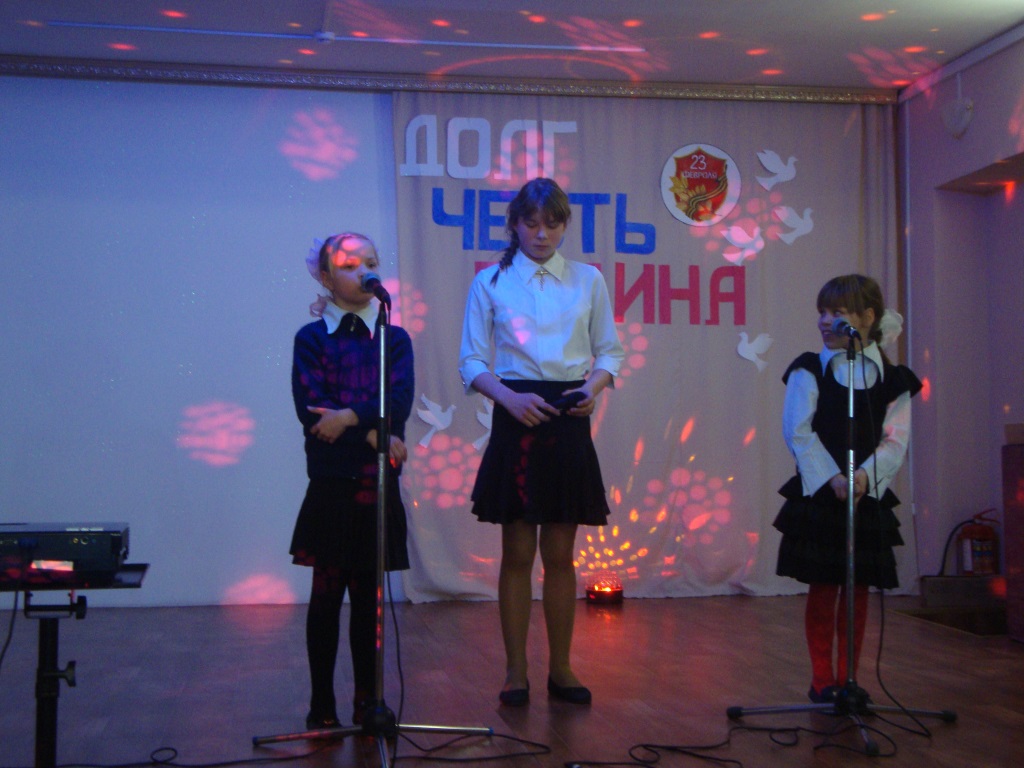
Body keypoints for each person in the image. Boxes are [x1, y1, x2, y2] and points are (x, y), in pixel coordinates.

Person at [458, 177, 625, 707]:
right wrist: (508, 399)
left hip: (568, 412)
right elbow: (471, 361)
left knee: (560, 554)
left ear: (565, 225)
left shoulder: (588, 279)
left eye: (552, 224)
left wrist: (591, 389)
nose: (541, 233)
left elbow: (610, 352)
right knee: (516, 552)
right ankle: (515, 670)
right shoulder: (490, 281)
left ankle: (562, 667)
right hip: (516, 411)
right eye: (531, 223)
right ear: (514, 224)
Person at [773, 274, 921, 704]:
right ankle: (822, 680)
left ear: (867, 317)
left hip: (865, 494)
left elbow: (896, 438)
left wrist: (865, 477)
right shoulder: (809, 369)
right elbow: (798, 430)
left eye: (836, 313)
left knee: (857, 590)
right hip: (824, 493)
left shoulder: (893, 379)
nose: (825, 321)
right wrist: (832, 477)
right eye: (822, 312)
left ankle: (849, 678)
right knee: (824, 586)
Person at [290, 232, 414, 729]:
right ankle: (322, 703)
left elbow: (398, 401)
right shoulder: (311, 338)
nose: (363, 270)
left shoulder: (394, 339)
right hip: (332, 482)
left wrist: (350, 419)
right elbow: (313, 409)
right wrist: (370, 429)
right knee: (326, 597)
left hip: (375, 484)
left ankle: (368, 700)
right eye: (348, 264)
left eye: (370, 262)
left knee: (369, 599)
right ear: (325, 277)